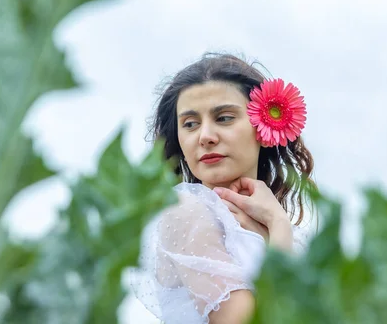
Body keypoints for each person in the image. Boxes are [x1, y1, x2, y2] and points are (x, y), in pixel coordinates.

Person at [130, 53, 319, 324]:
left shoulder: (290, 234)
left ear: (264, 126)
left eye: (224, 118)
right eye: (190, 124)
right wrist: (278, 225)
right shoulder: (186, 211)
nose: (205, 136)